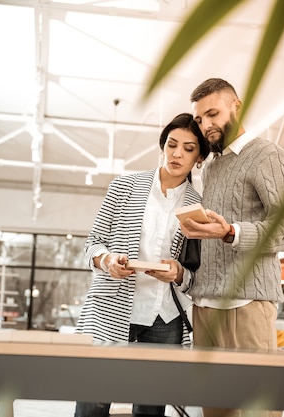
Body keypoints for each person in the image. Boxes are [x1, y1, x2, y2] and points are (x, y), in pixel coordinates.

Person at [179, 78, 284, 417]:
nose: (206, 125)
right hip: (205, 307)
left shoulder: (268, 156)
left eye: (213, 113)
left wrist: (231, 232)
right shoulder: (212, 165)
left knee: (256, 411)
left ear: (238, 106)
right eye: (200, 119)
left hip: (246, 305)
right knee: (215, 412)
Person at [74, 113, 209, 417]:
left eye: (188, 149)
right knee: (92, 404)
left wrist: (179, 274)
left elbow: (197, 272)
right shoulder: (124, 187)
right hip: (113, 308)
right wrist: (107, 260)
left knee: (150, 409)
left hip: (165, 317)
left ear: (199, 157)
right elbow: (92, 242)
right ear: (162, 146)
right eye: (172, 144)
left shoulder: (199, 205)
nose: (177, 154)